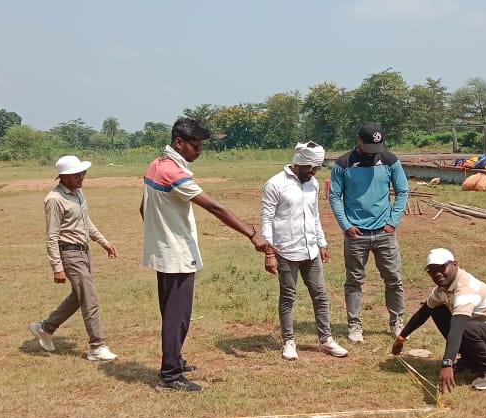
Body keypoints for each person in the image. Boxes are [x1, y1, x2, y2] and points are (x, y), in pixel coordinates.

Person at [141, 117, 276, 392]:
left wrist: (159, 233)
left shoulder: (156, 165)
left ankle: (174, 359)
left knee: (170, 312)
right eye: (196, 146)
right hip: (177, 255)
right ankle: (170, 376)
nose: (200, 151)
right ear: (179, 142)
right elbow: (215, 208)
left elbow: (142, 209)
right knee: (177, 316)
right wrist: (253, 235)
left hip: (162, 251)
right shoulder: (174, 174)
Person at [260, 141, 348, 361]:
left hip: (310, 250)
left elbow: (314, 215)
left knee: (320, 295)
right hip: (285, 250)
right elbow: (267, 219)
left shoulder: (313, 184)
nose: (314, 172)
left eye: (316, 168)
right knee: (288, 296)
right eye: (312, 167)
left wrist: (322, 242)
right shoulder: (275, 184)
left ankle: (325, 340)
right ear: (299, 163)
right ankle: (289, 342)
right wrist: (269, 253)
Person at [29, 155, 119, 361]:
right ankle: (97, 346)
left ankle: (45, 328)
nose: (82, 177)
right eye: (77, 174)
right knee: (90, 298)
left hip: (83, 252)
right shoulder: (54, 199)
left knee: (80, 297)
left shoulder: (78, 193)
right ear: (63, 176)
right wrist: (57, 267)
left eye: (82, 173)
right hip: (69, 254)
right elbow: (52, 236)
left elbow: (85, 221)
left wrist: (103, 242)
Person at [392, 248, 486, 392]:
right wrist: (402, 337)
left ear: (455, 265)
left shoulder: (466, 288)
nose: (437, 273)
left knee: (463, 326)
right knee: (437, 310)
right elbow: (423, 313)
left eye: (441, 267)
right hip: (485, 334)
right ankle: (470, 360)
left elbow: (458, 327)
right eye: (432, 270)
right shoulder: (442, 289)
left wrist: (447, 363)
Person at [328, 122, 409, 344]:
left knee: (393, 279)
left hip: (385, 233)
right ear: (358, 140)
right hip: (356, 235)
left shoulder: (390, 160)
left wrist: (393, 221)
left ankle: (397, 322)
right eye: (369, 147)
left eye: (378, 147)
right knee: (354, 281)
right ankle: (354, 324)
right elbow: (334, 196)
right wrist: (345, 225)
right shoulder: (343, 164)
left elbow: (402, 191)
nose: (375, 153)